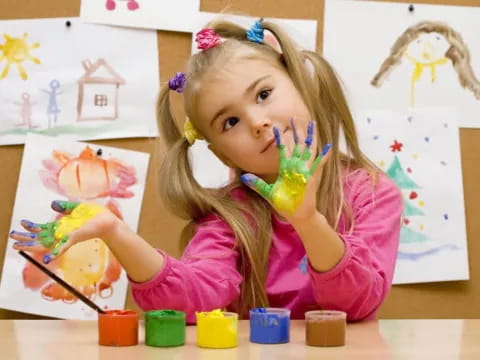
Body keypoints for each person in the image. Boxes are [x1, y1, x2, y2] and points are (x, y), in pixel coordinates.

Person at [10, 18, 402, 323]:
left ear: (302, 84)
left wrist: (308, 220)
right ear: (223, 155)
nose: (258, 123)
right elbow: (192, 301)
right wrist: (116, 233)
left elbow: (357, 304)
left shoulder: (371, 192)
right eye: (229, 122)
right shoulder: (231, 218)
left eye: (264, 95)